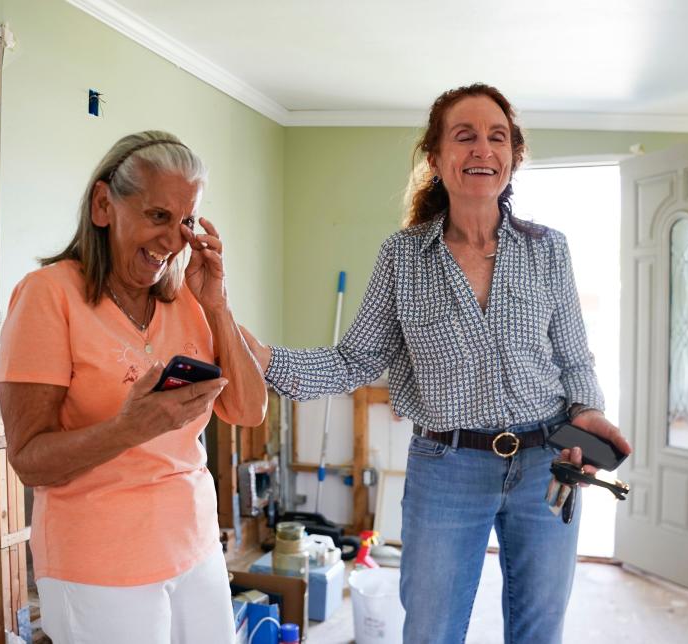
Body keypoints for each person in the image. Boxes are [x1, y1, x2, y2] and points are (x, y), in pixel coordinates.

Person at [241, 84, 632, 643]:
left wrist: (589, 413)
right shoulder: (402, 256)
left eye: (497, 137)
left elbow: (574, 358)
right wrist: (265, 359)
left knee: (540, 630)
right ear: (435, 156)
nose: (482, 149)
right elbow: (356, 359)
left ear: (513, 157)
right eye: (464, 135)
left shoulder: (549, 249)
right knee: (430, 631)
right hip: (446, 467)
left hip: (546, 462)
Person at [0, 131, 266, 643]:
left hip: (196, 546)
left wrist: (218, 304)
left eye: (186, 221)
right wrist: (128, 428)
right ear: (103, 206)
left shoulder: (188, 301)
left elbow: (249, 409)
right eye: (158, 216)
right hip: (97, 561)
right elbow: (29, 459)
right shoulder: (48, 296)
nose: (173, 240)